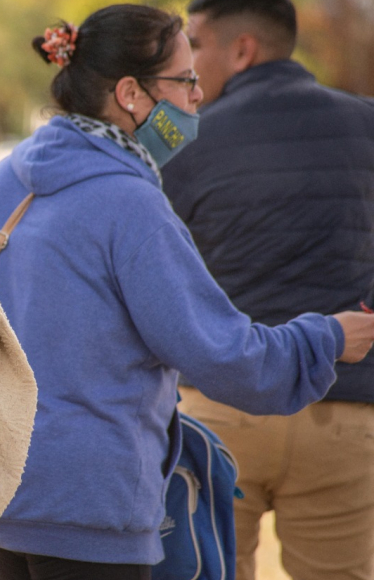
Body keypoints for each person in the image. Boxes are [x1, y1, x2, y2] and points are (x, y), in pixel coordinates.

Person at [0, 5, 374, 580]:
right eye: (185, 79)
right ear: (131, 92)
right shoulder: (130, 202)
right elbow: (222, 355)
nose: (198, 97)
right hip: (90, 508)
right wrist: (327, 337)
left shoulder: (0, 178)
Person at [161, 1, 374, 579]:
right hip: (346, 404)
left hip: (221, 406)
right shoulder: (367, 124)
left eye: (196, 46)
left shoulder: (184, 142)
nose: (188, 65)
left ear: (243, 49)